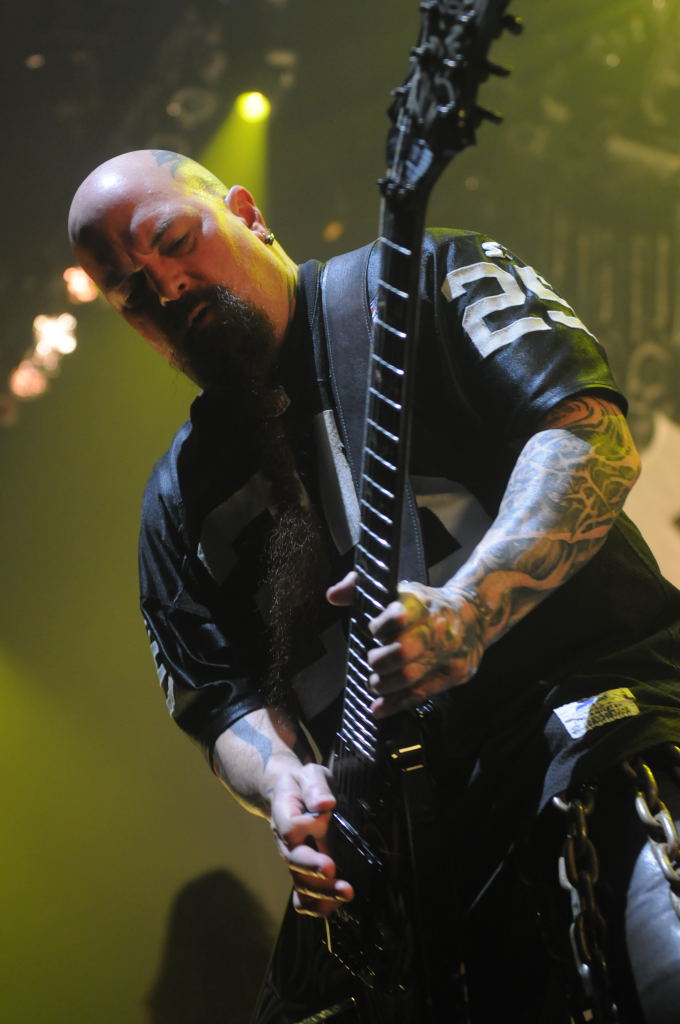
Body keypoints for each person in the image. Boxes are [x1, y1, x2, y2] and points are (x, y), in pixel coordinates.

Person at [69, 149, 680, 1023]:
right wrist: (284, 785)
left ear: (247, 212)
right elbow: (222, 704)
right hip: (405, 865)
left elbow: (589, 436)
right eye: (129, 290)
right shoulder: (176, 501)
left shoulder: (426, 282)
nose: (165, 287)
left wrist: (470, 609)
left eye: (173, 240)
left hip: (588, 733)